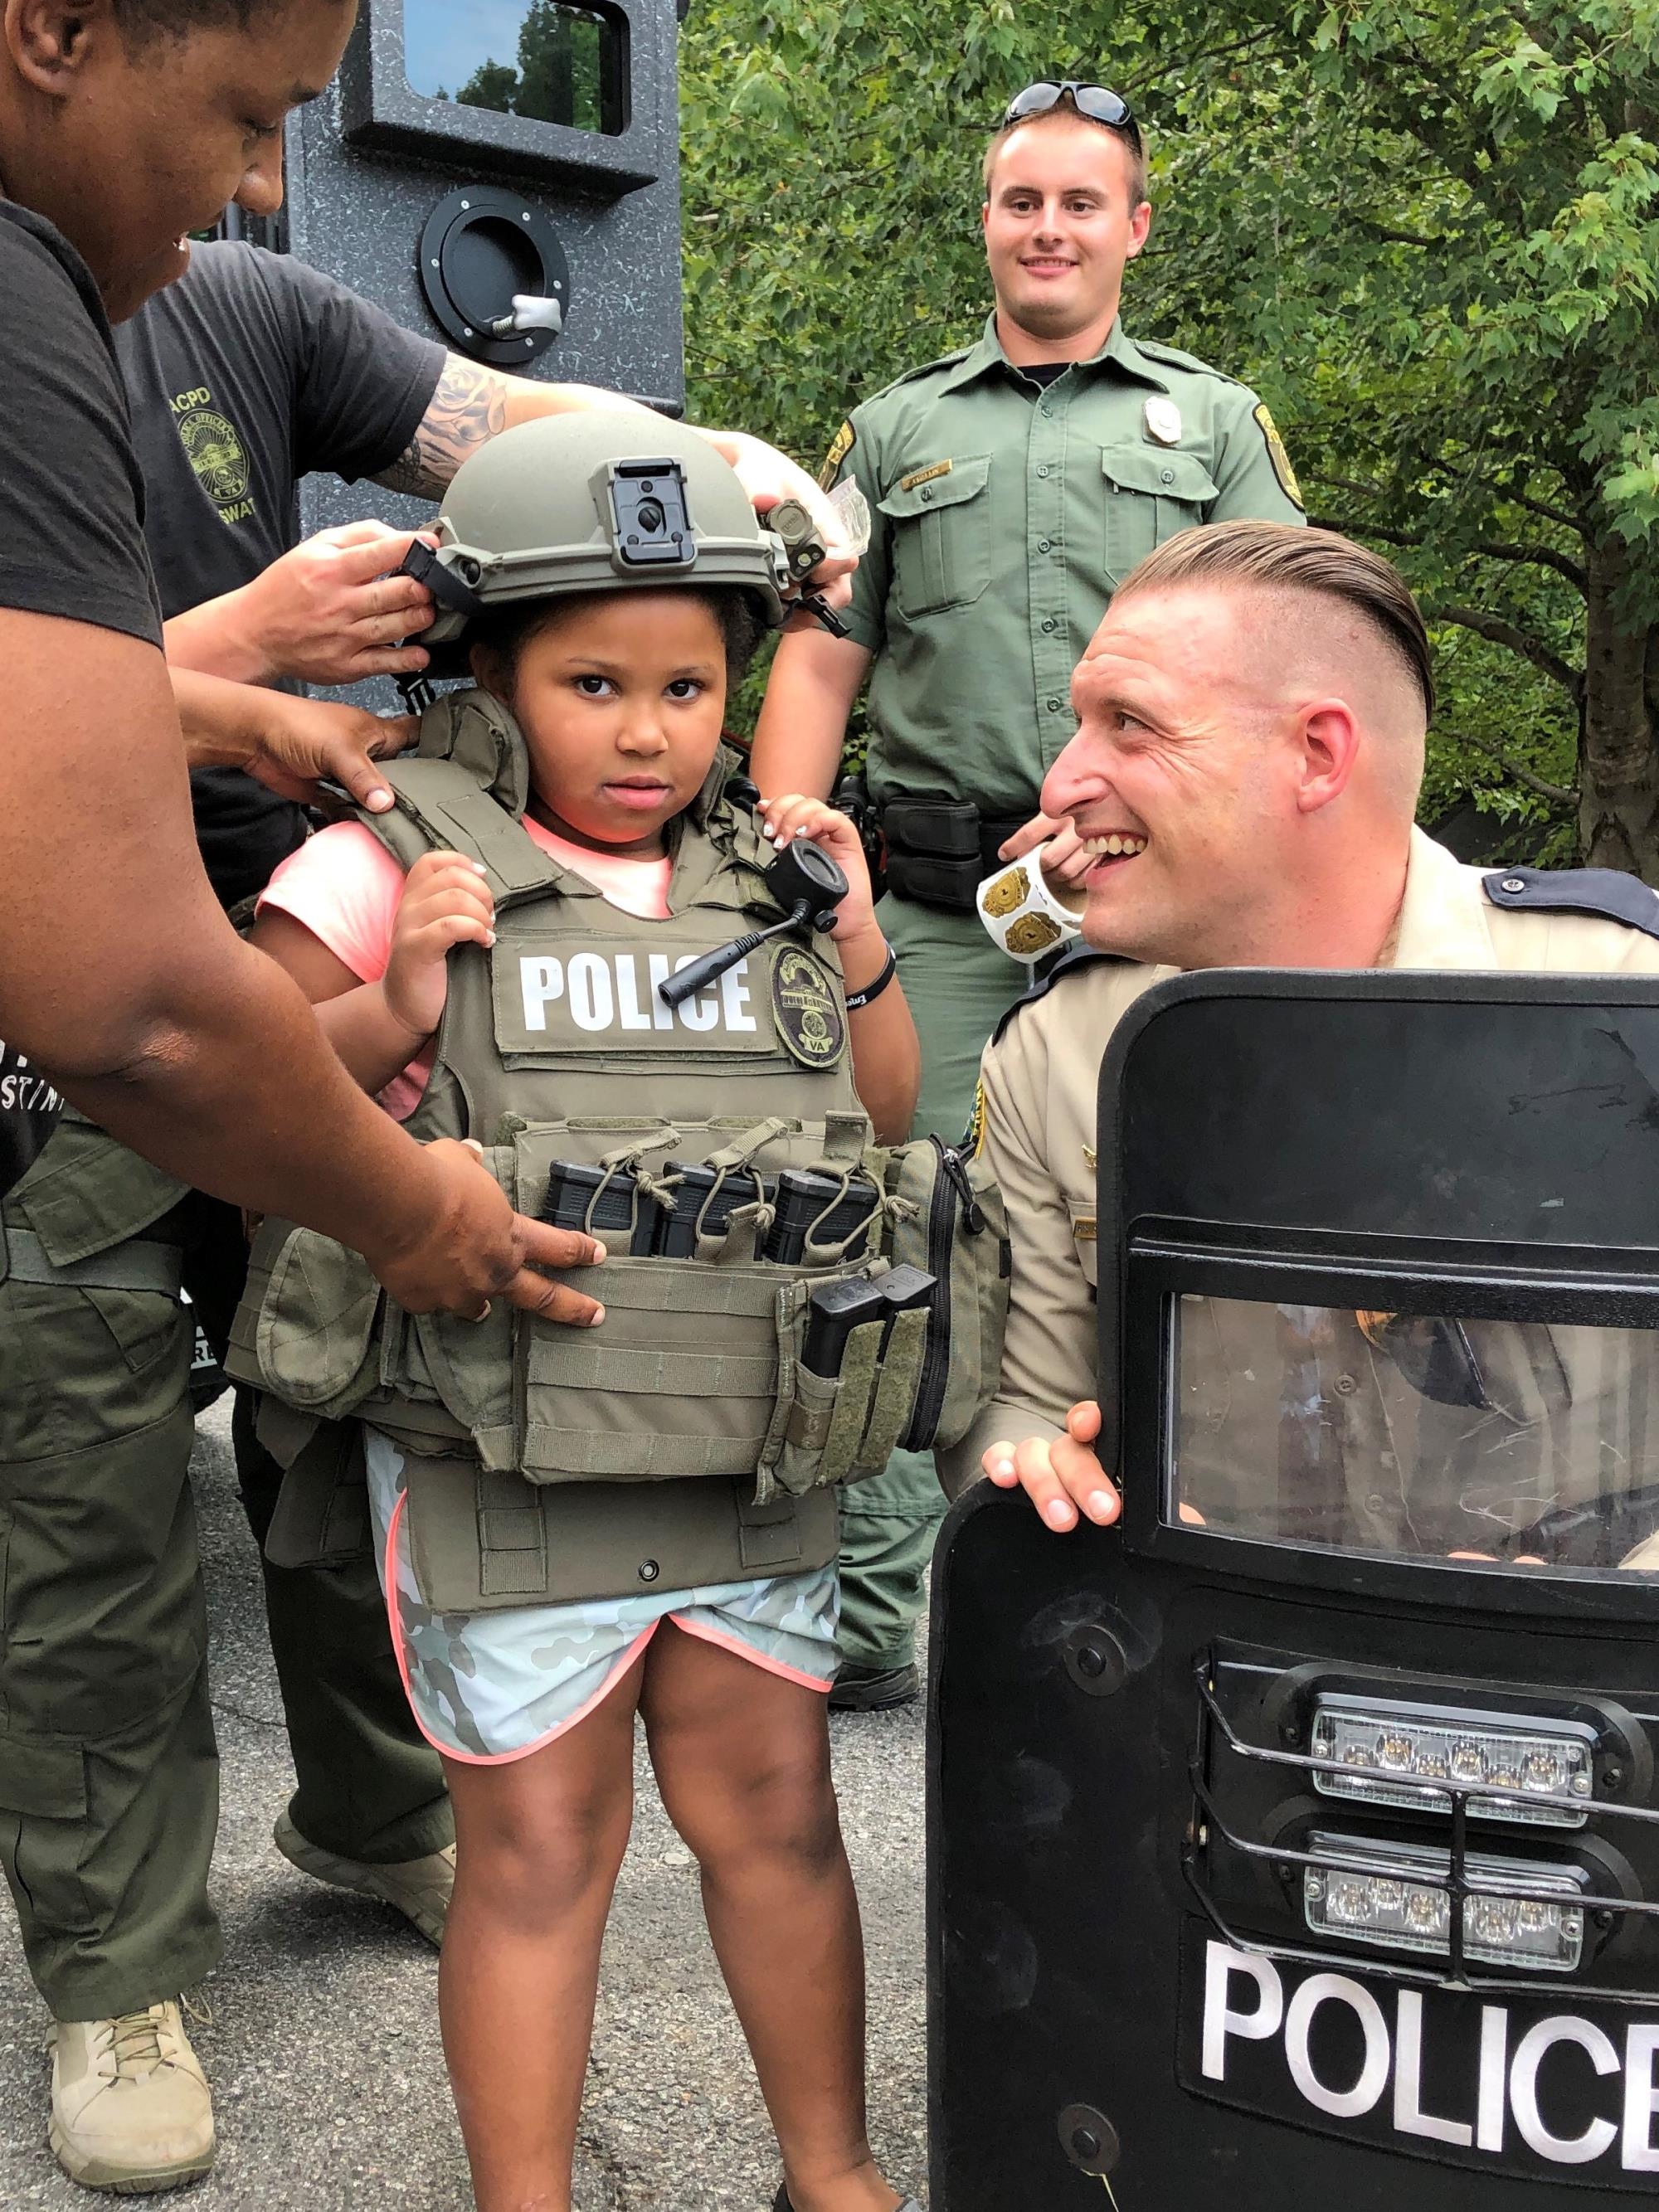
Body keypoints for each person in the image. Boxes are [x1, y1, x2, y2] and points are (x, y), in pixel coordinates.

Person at [0, 214, 861, 2187]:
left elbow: (500, 421)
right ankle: (118, 1968)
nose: (252, 157)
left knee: (347, 1435)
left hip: (330, 965)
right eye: (244, 100)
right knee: (90, 1503)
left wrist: (723, 463)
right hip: (95, 995)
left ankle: (384, 1811)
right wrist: (229, 650)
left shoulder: (245, 300)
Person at [239, 410, 922, 2212]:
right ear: (494, 669)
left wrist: (849, 932)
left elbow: (885, 1109)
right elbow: (239, 1094)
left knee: (776, 1817)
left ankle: (830, 2168)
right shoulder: (388, 851)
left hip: (743, 1446)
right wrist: (394, 1004)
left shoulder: (776, 865)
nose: (647, 729)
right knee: (539, 1849)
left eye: (690, 686)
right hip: (500, 1457)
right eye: (595, 681)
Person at [750, 77, 1307, 1710]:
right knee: (898, 1229)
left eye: (1081, 202)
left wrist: (1140, 811)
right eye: (1020, 201)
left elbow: (1276, 653)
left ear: (1133, 228)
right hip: (934, 912)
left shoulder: (1209, 423)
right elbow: (826, 644)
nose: (1048, 227)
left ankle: (1195, 1566)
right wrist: (783, 820)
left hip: (1153, 900)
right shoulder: (897, 427)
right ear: (984, 225)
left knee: (1170, 1218)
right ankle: (869, 1619)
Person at [940, 522, 1659, 1543]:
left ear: (1315, 754)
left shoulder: (1626, 996)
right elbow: (1019, 1403)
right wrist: (1052, 1476)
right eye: (1078, 726)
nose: (1059, 786)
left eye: (1129, 726)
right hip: (1221, 1647)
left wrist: (1610, 1596)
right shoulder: (1059, 1049)